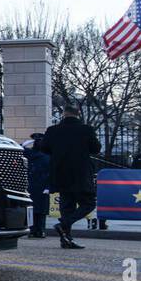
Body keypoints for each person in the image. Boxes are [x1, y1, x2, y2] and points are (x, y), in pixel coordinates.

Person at [37, 105, 102, 250]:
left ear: (63, 114)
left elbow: (44, 148)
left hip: (60, 172)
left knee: (67, 206)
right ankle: (64, 225)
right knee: (89, 203)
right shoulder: (86, 130)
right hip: (80, 174)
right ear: (78, 115)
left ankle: (66, 238)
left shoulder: (53, 130)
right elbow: (96, 149)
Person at [23, 133, 51, 238]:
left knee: (41, 210)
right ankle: (33, 230)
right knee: (33, 210)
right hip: (32, 184)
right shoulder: (31, 153)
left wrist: (48, 187)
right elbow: (20, 150)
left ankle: (39, 230)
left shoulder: (47, 155)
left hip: (40, 185)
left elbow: (51, 172)